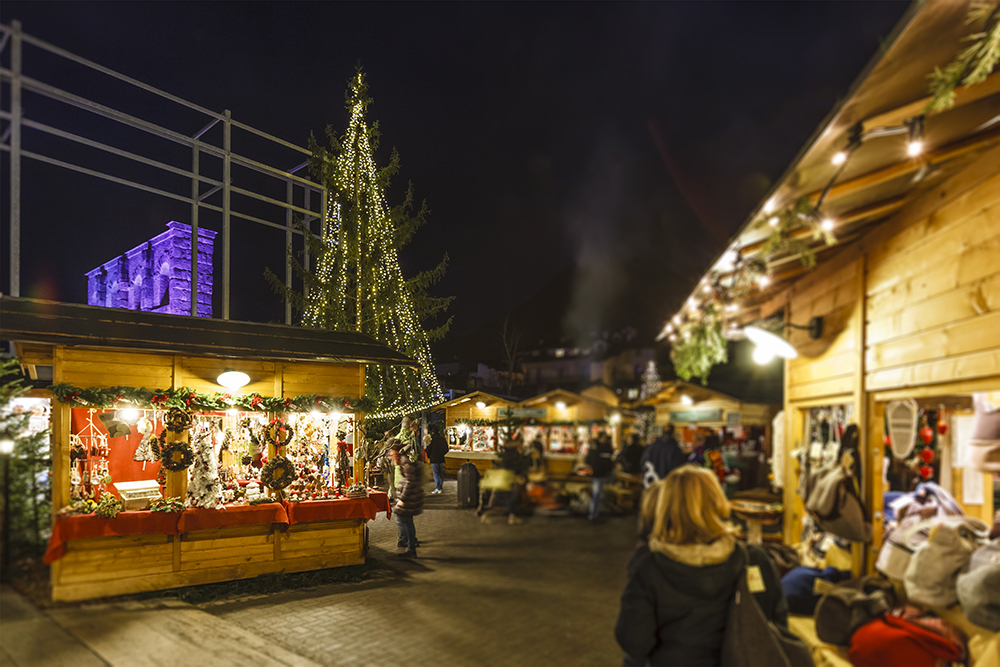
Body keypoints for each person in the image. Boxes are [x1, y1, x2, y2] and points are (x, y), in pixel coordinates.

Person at [615, 466, 787, 666]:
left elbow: (634, 641)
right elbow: (777, 623)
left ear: (665, 506)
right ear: (717, 499)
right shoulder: (753, 559)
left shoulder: (650, 568)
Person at [390, 441, 423, 558]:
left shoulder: (405, 461)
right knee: (407, 521)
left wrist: (402, 499)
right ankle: (410, 546)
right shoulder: (404, 460)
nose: (390, 456)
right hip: (410, 496)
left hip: (409, 497)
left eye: (391, 453)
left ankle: (409, 546)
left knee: (403, 521)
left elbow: (410, 481)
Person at [639, 424, 685, 488]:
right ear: (673, 433)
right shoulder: (674, 449)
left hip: (651, 485)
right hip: (667, 486)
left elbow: (643, 463)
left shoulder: (651, 447)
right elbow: (679, 469)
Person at [585, 433, 615, 523]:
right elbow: (609, 461)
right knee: (597, 494)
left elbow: (588, 460)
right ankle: (593, 514)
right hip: (600, 474)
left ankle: (595, 513)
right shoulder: (605, 448)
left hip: (597, 474)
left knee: (597, 494)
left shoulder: (594, 448)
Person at [425, 422, 449, 494]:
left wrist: (429, 456)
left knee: (436, 473)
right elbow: (446, 449)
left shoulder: (431, 439)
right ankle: (440, 487)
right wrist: (442, 454)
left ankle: (438, 487)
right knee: (440, 472)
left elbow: (428, 449)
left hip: (434, 458)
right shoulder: (442, 439)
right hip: (441, 458)